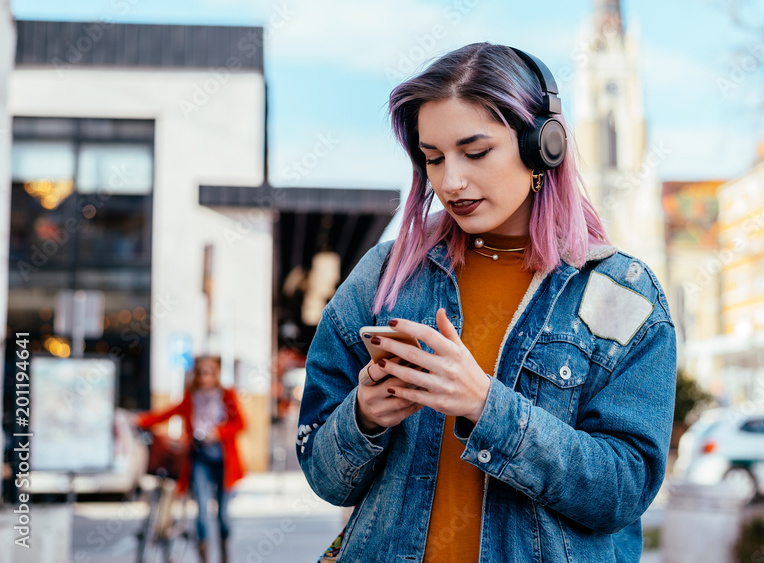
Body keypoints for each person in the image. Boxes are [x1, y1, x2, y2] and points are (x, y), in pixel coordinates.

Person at [296, 43, 677, 562]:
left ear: (544, 145)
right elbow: (325, 478)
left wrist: (485, 405)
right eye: (433, 158)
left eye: (475, 153)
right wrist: (362, 416)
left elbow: (623, 492)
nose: (451, 181)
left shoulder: (622, 295)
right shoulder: (385, 275)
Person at [136, 355, 246, 563]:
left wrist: (219, 433)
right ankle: (204, 556)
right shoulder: (191, 396)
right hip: (199, 458)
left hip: (223, 460)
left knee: (222, 515)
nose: (204, 376)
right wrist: (141, 420)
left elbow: (241, 423)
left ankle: (224, 555)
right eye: (201, 371)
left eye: (209, 371)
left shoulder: (226, 395)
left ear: (216, 373)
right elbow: (168, 413)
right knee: (202, 510)